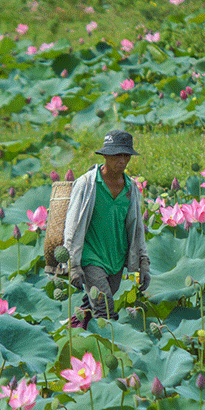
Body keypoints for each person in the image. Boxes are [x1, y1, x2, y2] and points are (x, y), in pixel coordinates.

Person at [63, 129, 150, 329]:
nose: (121, 160)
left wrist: (143, 263)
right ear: (105, 156)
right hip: (92, 257)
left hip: (116, 259)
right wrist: (73, 265)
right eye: (116, 155)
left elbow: (136, 229)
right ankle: (113, 348)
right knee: (106, 310)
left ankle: (75, 334)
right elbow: (73, 225)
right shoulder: (87, 184)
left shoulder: (131, 188)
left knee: (93, 305)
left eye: (125, 155)